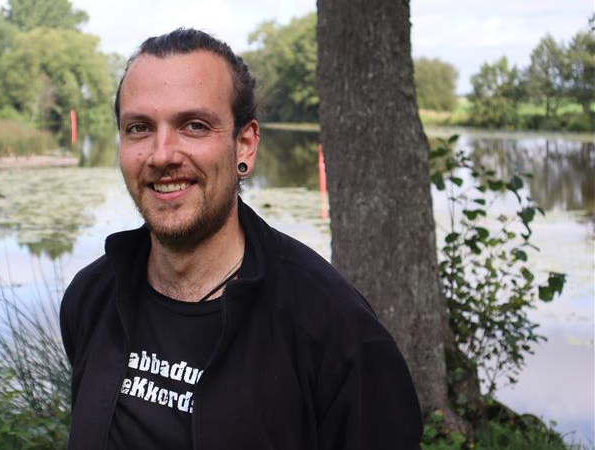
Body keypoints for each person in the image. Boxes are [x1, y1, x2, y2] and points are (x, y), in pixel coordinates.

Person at [60, 28, 423, 450]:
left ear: (245, 145)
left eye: (193, 126)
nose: (161, 155)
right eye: (139, 128)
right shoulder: (92, 298)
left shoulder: (334, 329)